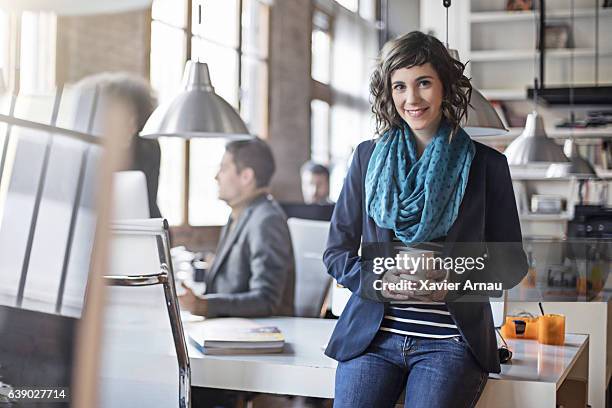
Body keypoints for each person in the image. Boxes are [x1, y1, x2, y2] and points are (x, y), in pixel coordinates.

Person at [323, 31, 528, 408]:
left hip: (450, 343)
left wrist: (453, 279)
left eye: (423, 83)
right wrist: (379, 282)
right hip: (373, 338)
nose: (411, 98)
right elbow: (336, 252)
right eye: (399, 86)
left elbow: (512, 263)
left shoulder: (487, 166)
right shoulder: (367, 158)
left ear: (445, 88)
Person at [178, 137, 295, 318]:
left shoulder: (267, 221)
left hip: (255, 335)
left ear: (246, 176)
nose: (217, 177)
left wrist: (203, 306)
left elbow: (266, 300)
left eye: (224, 168)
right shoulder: (238, 215)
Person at [76, 72, 162, 218]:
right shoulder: (84, 151)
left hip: (140, 224)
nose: (131, 127)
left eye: (136, 119)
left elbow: (149, 203)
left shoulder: (147, 146)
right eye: (124, 120)